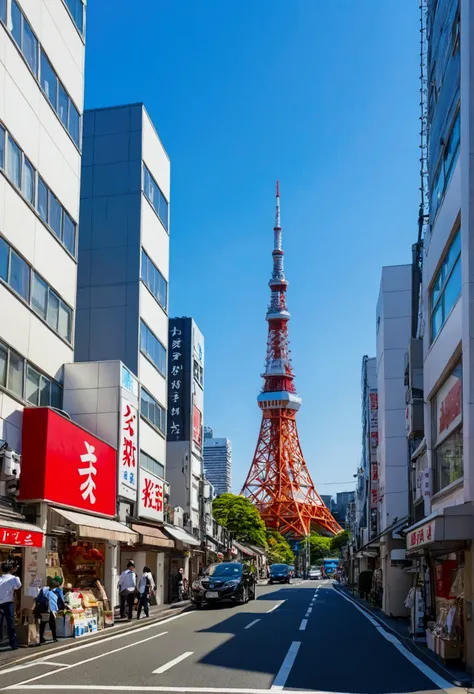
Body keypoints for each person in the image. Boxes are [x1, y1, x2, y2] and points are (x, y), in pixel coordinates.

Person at [35, 578, 65, 644]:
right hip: (51, 609)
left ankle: (41, 639)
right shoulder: (58, 590)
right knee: (52, 623)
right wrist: (62, 608)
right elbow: (61, 601)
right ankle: (54, 638)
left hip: (44, 609)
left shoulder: (43, 589)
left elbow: (38, 598)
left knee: (43, 623)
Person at [0, 562, 21, 650]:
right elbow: (18, 586)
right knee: (10, 624)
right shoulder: (14, 578)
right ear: (11, 569)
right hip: (8, 604)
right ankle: (13, 643)